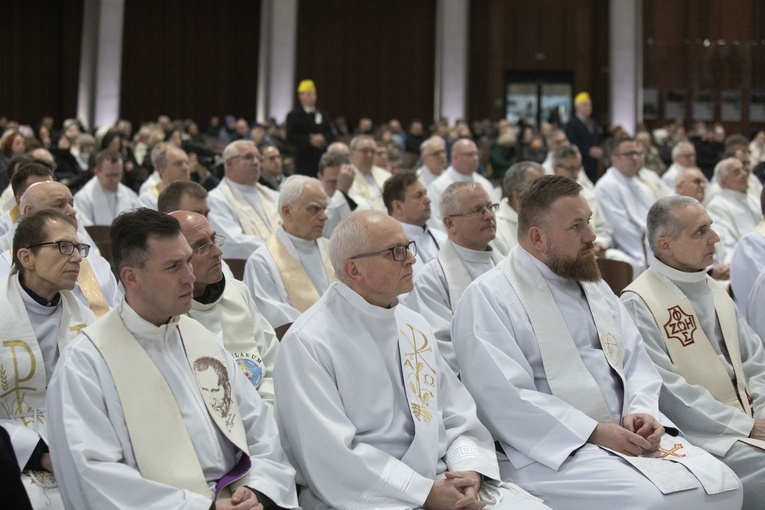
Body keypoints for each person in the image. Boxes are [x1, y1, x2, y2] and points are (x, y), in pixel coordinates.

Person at [451, 175, 742, 510]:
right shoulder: (489, 297)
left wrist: (642, 410)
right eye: (577, 227)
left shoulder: (592, 283)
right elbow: (504, 398)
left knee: (726, 486)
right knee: (655, 502)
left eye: (588, 221)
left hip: (626, 433)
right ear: (537, 237)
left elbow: (635, 360)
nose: (592, 237)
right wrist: (594, 431)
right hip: (551, 450)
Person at [274, 210, 549, 510]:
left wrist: (467, 470)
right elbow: (329, 456)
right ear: (354, 270)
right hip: (369, 498)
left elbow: (456, 413)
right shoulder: (308, 342)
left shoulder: (412, 324)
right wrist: (424, 493)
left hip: (444, 480)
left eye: (408, 247)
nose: (411, 259)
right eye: (396, 252)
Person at [46, 208, 299, 509]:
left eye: (189, 261)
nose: (190, 277)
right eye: (173, 266)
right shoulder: (85, 364)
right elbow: (92, 475)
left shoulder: (200, 340)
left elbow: (260, 430)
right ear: (131, 277)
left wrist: (258, 489)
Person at [622, 196, 765, 509]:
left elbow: (755, 362)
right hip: (706, 435)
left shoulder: (712, 287)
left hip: (753, 418)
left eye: (711, 227)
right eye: (700, 232)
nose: (714, 238)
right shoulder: (639, 303)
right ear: (666, 245)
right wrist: (748, 425)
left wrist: (762, 413)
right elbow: (668, 392)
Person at [0, 210, 96, 509]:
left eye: (79, 248)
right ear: (27, 258)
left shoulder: (86, 318)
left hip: (80, 449)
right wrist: (38, 453)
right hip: (11, 457)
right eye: (63, 247)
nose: (78, 258)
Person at [173, 211, 279, 406]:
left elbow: (273, 362)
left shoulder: (237, 291)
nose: (217, 252)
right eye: (201, 246)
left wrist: (268, 411)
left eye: (214, 240)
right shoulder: (169, 314)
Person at [405, 182, 502, 375]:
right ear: (450, 223)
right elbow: (440, 348)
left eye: (490, 207)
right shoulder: (431, 279)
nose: (489, 215)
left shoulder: (506, 264)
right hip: (476, 383)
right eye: (477, 210)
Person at [0, 181, 121, 316]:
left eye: (71, 204)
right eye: (59, 205)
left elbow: (116, 312)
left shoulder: (97, 263)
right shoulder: (4, 267)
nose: (72, 210)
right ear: (29, 212)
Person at [243, 176, 333, 332]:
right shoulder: (262, 261)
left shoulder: (333, 249)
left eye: (324, 208)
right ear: (287, 211)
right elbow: (274, 321)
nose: (324, 216)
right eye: (314, 209)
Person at [208, 141, 281, 259]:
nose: (256, 162)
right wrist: (283, 248)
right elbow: (233, 242)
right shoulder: (216, 199)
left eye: (258, 158)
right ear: (229, 163)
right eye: (248, 157)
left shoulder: (273, 195)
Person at [595, 137, 656, 270]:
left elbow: (656, 220)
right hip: (632, 251)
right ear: (614, 158)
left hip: (652, 244)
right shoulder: (606, 186)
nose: (635, 158)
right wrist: (653, 253)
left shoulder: (642, 186)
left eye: (638, 153)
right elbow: (620, 227)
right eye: (629, 154)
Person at [427, 138, 500, 234]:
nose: (475, 158)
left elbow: (497, 214)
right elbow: (437, 225)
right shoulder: (439, 186)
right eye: (469, 154)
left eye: (477, 154)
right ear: (454, 157)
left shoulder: (485, 183)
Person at [383, 170, 446, 274]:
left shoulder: (441, 238)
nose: (428, 200)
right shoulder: (386, 247)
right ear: (398, 207)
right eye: (419, 196)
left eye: (425, 193)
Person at [706, 157, 762, 261]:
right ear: (724, 182)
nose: (744, 174)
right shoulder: (717, 205)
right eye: (737, 173)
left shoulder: (751, 198)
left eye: (743, 170)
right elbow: (728, 241)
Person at [74, 149, 139, 226]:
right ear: (97, 172)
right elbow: (85, 230)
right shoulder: (83, 198)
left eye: (118, 175)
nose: (115, 180)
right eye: (110, 175)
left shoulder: (130, 195)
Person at [493, 162, 544, 256]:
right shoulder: (496, 229)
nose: (546, 194)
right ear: (517, 196)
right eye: (538, 189)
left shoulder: (548, 218)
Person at [285, 79, 335, 177]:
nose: (312, 97)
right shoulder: (294, 115)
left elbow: (331, 134)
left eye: (314, 94)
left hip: (320, 157)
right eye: (308, 94)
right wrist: (309, 140)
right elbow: (291, 136)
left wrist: (322, 138)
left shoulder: (322, 114)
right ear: (300, 96)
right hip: (303, 158)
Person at [564, 92, 603, 183]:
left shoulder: (593, 123)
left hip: (594, 163)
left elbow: (598, 139)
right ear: (578, 107)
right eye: (585, 105)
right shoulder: (572, 124)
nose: (588, 108)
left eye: (590, 105)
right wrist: (588, 150)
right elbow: (572, 142)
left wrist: (599, 149)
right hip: (581, 161)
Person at [137, 145, 191, 210]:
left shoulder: (195, 196)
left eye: (187, 163)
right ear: (162, 170)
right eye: (178, 164)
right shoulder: (148, 199)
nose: (185, 168)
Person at [347, 134, 391, 211]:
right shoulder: (346, 176)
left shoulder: (386, 175)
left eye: (373, 151)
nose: (369, 155)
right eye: (364, 151)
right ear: (351, 153)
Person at [316, 150, 354, 238]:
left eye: (342, 180)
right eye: (332, 182)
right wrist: (342, 191)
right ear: (319, 177)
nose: (338, 186)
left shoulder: (364, 203)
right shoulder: (313, 206)